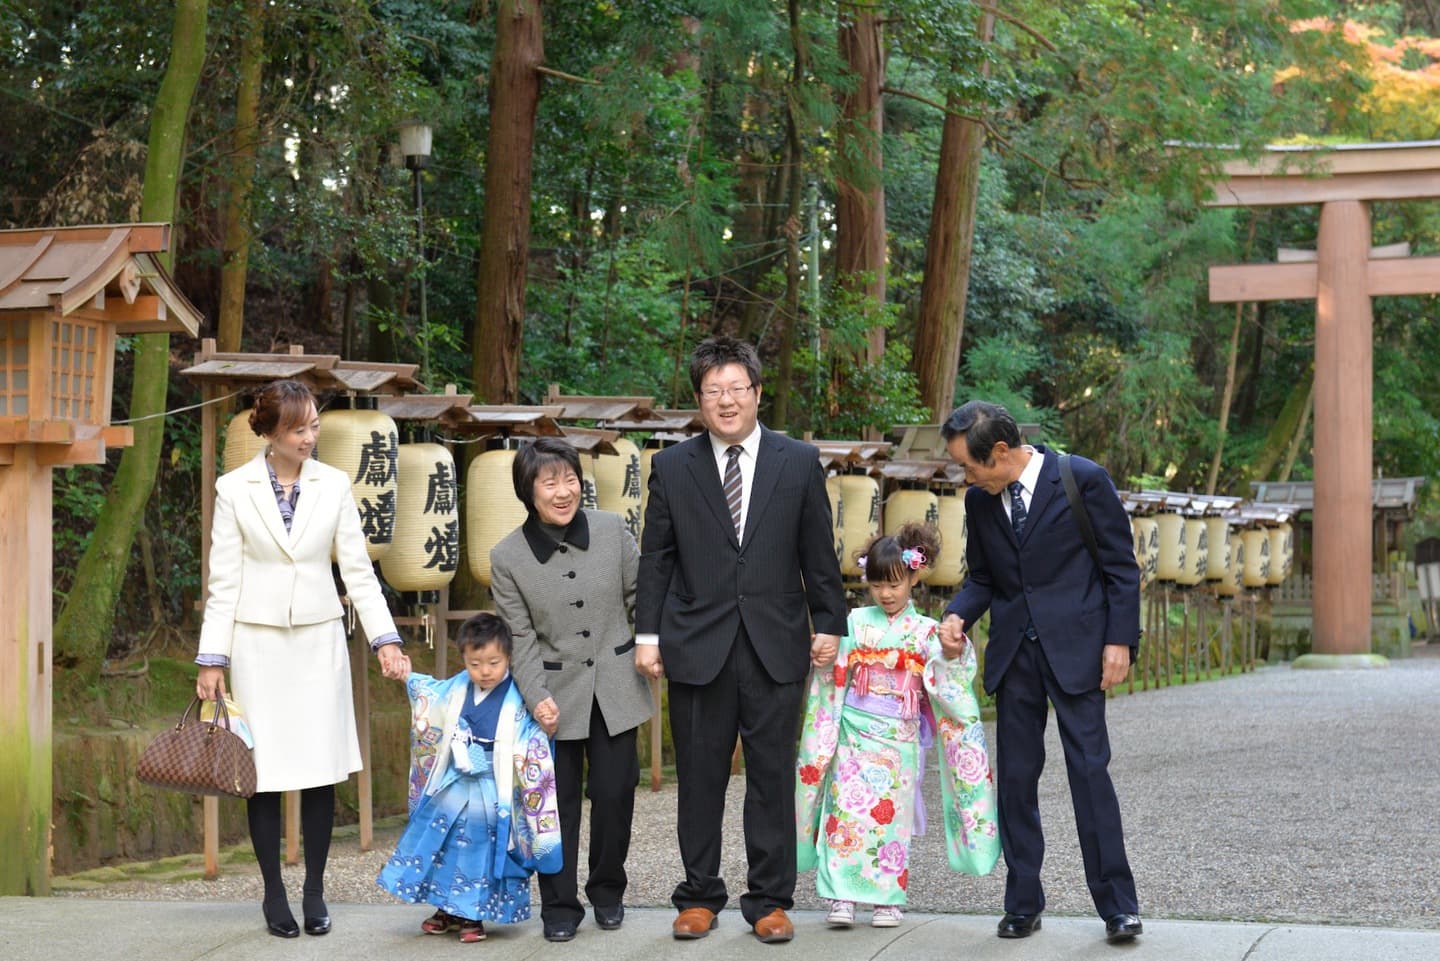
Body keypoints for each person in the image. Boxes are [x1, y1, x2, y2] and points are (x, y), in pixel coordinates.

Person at [636, 335, 847, 944]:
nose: (725, 402)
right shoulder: (673, 467)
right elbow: (657, 558)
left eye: (736, 389)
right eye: (712, 392)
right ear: (699, 401)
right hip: (696, 645)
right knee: (699, 779)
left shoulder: (798, 461)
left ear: (757, 393)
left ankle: (769, 901)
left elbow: (818, 551)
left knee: (772, 778)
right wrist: (647, 634)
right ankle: (698, 896)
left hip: (776, 644)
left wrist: (828, 621)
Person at [194, 378, 411, 939]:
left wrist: (386, 640)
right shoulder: (234, 489)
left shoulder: (334, 485)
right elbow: (223, 579)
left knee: (319, 769)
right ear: (269, 431)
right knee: (261, 773)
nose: (309, 437)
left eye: (314, 425)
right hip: (256, 642)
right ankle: (273, 892)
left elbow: (358, 571)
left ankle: (315, 889)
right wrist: (211, 659)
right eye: (298, 429)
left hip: (319, 640)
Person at [936, 400, 1143, 944]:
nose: (965, 475)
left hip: (1079, 652)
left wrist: (1119, 640)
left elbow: (1121, 567)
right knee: (1015, 783)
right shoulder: (980, 502)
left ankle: (1118, 906)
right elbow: (983, 576)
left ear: (1000, 452)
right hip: (1015, 657)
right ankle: (1023, 901)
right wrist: (957, 612)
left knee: (1090, 776)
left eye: (968, 465)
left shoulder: (1082, 479)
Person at [796, 523, 1000, 930]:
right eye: (877, 586)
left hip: (899, 738)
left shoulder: (925, 630)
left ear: (913, 576)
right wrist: (824, 650)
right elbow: (833, 666)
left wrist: (949, 652)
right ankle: (841, 896)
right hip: (853, 731)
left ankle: (887, 899)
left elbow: (948, 677)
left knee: (892, 818)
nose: (886, 594)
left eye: (894, 584)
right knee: (845, 814)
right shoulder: (852, 621)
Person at [488, 437, 652, 942]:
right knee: (553, 807)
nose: (563, 491)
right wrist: (536, 695)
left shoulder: (612, 530)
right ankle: (558, 905)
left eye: (569, 479)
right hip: (555, 695)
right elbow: (519, 637)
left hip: (617, 688)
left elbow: (640, 597)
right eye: (549, 482)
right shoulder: (507, 557)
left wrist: (651, 643)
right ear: (528, 491)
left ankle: (608, 890)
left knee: (614, 793)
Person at [375, 613, 562, 943]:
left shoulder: (517, 696)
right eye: (476, 664)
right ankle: (446, 909)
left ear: (508, 657)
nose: (485, 671)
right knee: (442, 844)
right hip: (455, 781)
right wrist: (407, 679)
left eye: (493, 662)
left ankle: (472, 915)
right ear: (464, 659)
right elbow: (429, 694)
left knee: (480, 851)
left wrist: (545, 727)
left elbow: (530, 737)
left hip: (493, 787)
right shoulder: (458, 687)